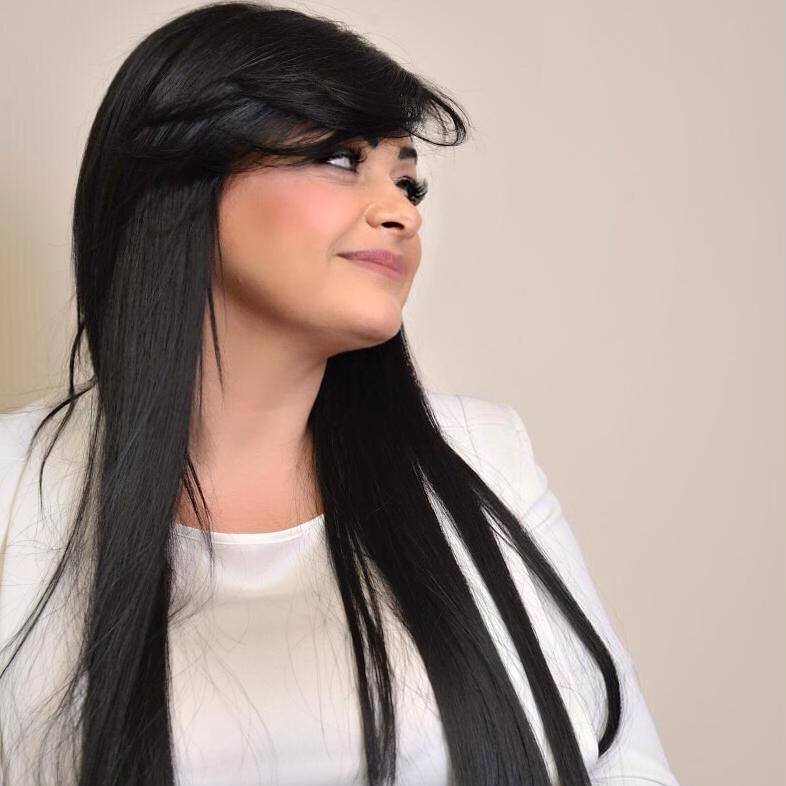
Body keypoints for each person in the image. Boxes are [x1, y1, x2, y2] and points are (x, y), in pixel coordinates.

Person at [0, 3, 681, 785]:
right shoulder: (14, 485)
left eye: (407, 181)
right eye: (337, 157)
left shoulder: (487, 459)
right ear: (180, 180)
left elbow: (620, 760)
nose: (400, 212)